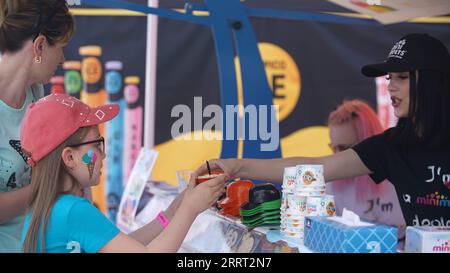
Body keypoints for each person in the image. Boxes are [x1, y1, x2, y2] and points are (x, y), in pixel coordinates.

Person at [196, 33, 450, 230]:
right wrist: (235, 166)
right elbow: (314, 168)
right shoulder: (391, 146)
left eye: (402, 77)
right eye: (389, 78)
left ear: (432, 81)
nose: (390, 87)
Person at [20, 94, 227, 253]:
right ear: (70, 158)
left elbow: (121, 246)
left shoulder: (50, 208)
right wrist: (190, 209)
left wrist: (172, 213)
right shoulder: (73, 210)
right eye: (96, 145)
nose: (104, 154)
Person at [0, 0, 74, 252]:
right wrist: (50, 187)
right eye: (61, 47)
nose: (63, 59)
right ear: (40, 46)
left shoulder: (36, 92)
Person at [327, 99, 406, 245]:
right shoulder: (329, 186)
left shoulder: (401, 173)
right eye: (334, 148)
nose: (337, 156)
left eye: (345, 149)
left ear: (369, 145)